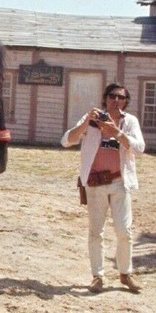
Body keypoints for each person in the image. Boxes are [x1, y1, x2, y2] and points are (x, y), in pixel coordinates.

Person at [61, 82, 145, 293]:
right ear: (105, 99)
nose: (116, 100)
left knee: (123, 230)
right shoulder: (93, 119)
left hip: (119, 182)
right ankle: (97, 276)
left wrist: (116, 132)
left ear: (126, 101)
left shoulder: (130, 121)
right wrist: (85, 123)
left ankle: (126, 274)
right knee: (95, 232)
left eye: (121, 97)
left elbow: (139, 148)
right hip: (96, 183)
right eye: (112, 96)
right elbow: (66, 141)